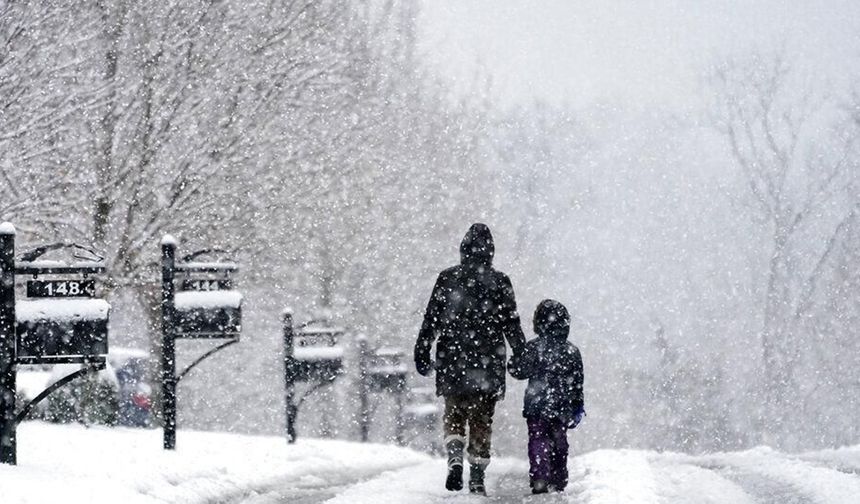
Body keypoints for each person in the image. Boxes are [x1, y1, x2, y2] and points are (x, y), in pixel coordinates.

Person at [414, 223, 525, 495]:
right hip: (488, 361)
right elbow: (511, 324)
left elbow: (432, 320)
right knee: (481, 419)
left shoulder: (447, 278)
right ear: (490, 251)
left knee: (453, 413)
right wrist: (521, 354)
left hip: (453, 359)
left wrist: (422, 349)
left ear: (463, 248)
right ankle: (476, 474)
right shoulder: (500, 282)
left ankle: (454, 457)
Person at [510, 299, 585, 494]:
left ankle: (539, 475)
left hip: (536, 405)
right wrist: (577, 406)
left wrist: (513, 363)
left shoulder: (534, 347)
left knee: (538, 439)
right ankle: (558, 477)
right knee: (559, 442)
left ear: (538, 323)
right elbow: (577, 383)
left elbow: (520, 371)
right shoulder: (571, 351)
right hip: (561, 406)